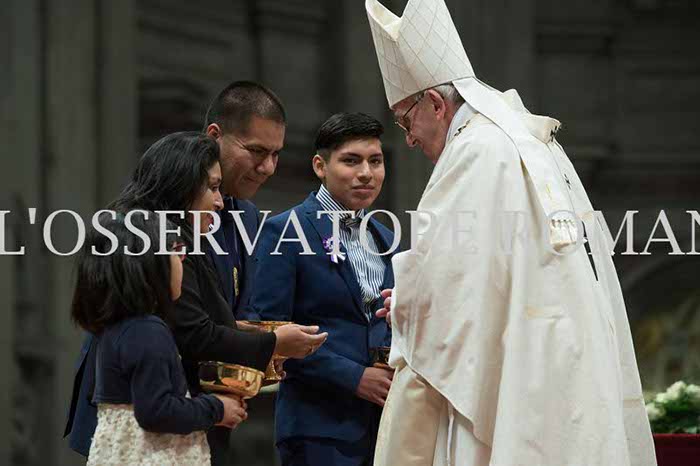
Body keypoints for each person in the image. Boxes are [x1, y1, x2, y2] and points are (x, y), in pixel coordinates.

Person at [365, 1, 656, 465]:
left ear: (436, 104)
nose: (409, 138)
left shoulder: (474, 151)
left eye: (405, 121)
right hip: (558, 344)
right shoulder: (519, 137)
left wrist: (405, 302)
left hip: (515, 354)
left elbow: (447, 281)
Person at [65, 132, 328, 464]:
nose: (220, 202)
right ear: (180, 186)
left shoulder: (171, 239)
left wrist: (250, 333)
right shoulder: (156, 244)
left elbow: (197, 318)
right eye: (212, 188)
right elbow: (191, 336)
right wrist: (272, 344)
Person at [249, 113, 396, 466]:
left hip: (387, 424)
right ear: (320, 166)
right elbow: (268, 331)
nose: (366, 173)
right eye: (351, 161)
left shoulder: (386, 237)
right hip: (318, 427)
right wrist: (354, 377)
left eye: (375, 161)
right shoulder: (284, 231)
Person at [71, 212, 245, 464]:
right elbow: (157, 411)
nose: (183, 259)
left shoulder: (118, 328)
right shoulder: (148, 331)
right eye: (176, 251)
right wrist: (217, 408)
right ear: (148, 264)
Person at [202, 81, 286, 320]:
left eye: (275, 154)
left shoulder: (250, 217)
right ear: (214, 136)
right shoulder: (172, 209)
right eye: (257, 151)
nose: (268, 168)